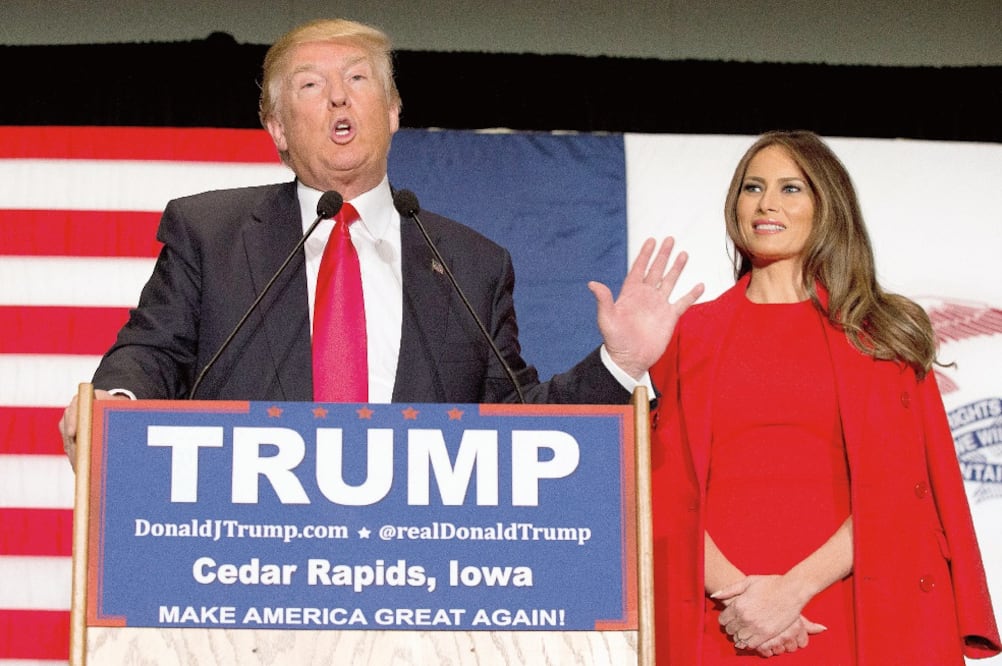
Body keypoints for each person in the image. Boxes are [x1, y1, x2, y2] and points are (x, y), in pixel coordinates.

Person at [58, 18, 704, 463]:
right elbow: (150, 352)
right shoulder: (211, 234)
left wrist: (619, 365)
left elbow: (516, 424)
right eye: (312, 84)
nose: (339, 95)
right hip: (244, 552)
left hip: (410, 566)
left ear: (393, 110)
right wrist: (114, 404)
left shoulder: (470, 264)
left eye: (360, 79)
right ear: (278, 127)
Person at [649, 130, 1000, 664]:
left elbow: (905, 488)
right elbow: (661, 487)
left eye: (791, 188)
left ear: (827, 206)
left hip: (856, 605)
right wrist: (742, 599)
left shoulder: (881, 331)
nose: (767, 203)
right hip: (721, 616)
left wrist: (789, 594)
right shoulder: (685, 333)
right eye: (752, 187)